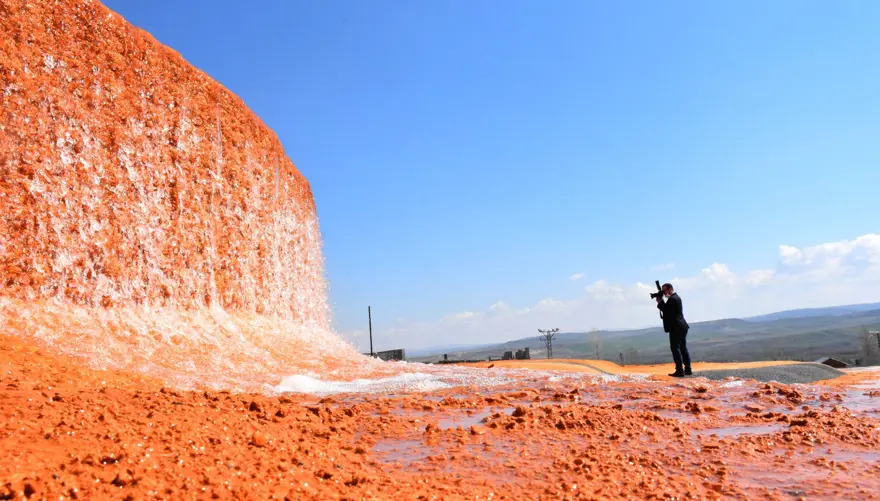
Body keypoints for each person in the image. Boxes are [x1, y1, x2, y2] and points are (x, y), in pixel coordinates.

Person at [656, 283, 692, 377]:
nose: (663, 293)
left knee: (675, 348)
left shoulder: (672, 299)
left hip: (676, 327)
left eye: (664, 290)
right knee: (683, 348)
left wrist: (660, 302)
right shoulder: (676, 298)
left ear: (670, 289)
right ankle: (688, 369)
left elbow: (667, 311)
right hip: (682, 326)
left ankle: (679, 370)